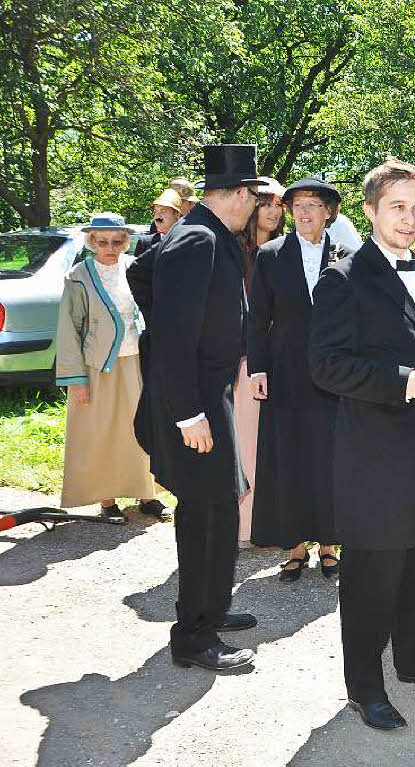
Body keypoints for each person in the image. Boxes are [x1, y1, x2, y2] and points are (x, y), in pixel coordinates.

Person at [309, 158, 415, 732]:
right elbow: (326, 366)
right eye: (397, 207)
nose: (410, 217)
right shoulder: (344, 277)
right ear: (371, 210)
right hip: (372, 456)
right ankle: (364, 687)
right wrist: (402, 381)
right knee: (372, 577)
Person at [130, 144, 261, 672]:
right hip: (196, 401)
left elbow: (142, 275)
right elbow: (173, 336)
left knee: (218, 506)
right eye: (255, 195)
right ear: (239, 194)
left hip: (211, 393)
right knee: (208, 514)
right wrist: (188, 414)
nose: (257, 204)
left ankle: (210, 608)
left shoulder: (205, 234)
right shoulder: (197, 238)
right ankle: (194, 635)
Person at [248, 177, 341, 579]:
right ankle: (296, 545)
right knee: (289, 457)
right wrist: (258, 367)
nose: (304, 212)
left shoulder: (346, 255)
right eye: (297, 205)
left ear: (328, 212)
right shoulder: (270, 255)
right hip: (284, 371)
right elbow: (256, 317)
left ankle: (331, 543)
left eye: (312, 205)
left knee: (329, 457)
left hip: (333, 374)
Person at [54, 213, 166, 519]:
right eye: (102, 241)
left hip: (136, 362)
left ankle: (146, 494)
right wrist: (75, 378)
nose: (110, 247)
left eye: (117, 241)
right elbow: (68, 329)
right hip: (96, 366)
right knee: (100, 432)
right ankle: (107, 499)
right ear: (91, 241)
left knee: (141, 428)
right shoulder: (78, 276)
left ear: (125, 241)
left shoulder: (135, 268)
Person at [234, 176, 286, 546]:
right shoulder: (235, 250)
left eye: (278, 205)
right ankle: (242, 524)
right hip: (242, 358)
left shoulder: (288, 251)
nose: (272, 211)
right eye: (266, 202)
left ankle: (270, 523)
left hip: (280, 360)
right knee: (245, 440)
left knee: (271, 445)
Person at [135, 188, 184, 261]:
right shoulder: (145, 243)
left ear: (177, 214)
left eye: (163, 211)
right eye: (156, 212)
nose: (157, 217)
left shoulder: (188, 242)